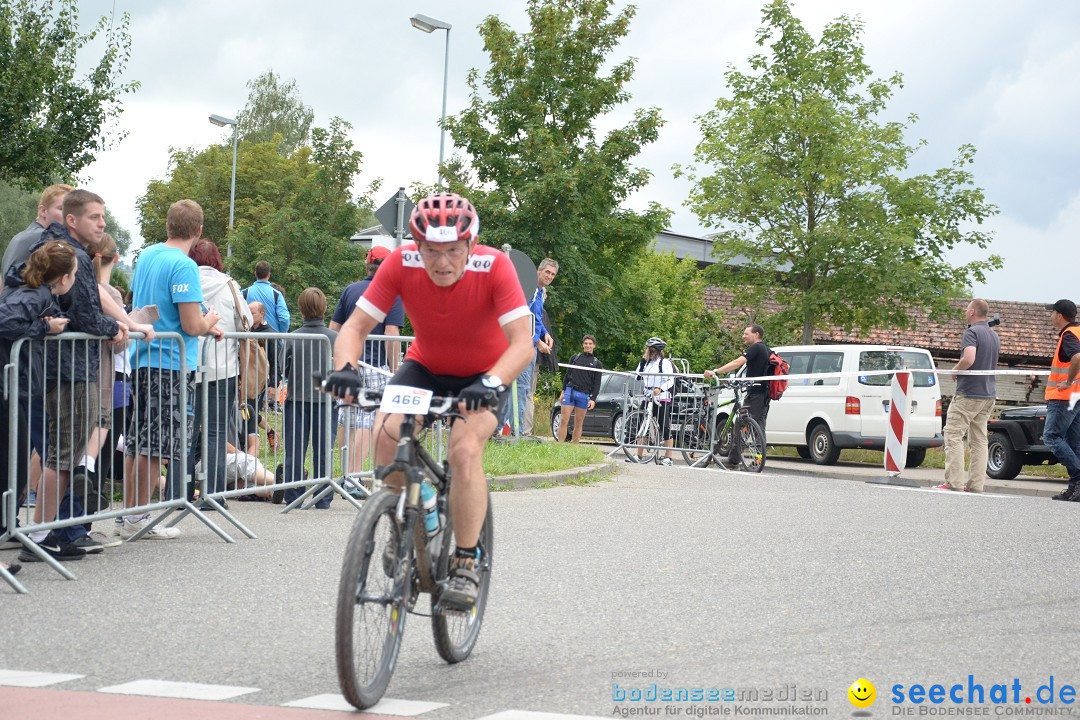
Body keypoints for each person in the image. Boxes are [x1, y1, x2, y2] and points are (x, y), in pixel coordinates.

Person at [327, 192, 532, 610]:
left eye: (453, 251)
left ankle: (466, 560)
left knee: (463, 451)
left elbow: (523, 345)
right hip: (426, 367)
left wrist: (492, 381)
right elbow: (354, 327)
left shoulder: (495, 266)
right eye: (431, 251)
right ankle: (410, 520)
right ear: (417, 246)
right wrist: (346, 368)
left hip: (484, 374)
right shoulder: (400, 263)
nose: (442, 262)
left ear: (470, 246)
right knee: (387, 433)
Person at [15, 190, 124, 560]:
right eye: (95, 217)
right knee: (62, 456)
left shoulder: (57, 248)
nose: (102, 223)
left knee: (62, 454)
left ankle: (44, 532)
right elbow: (86, 314)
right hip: (69, 370)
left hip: (62, 368)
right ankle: (40, 535)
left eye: (103, 216)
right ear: (73, 220)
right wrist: (114, 328)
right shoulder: (72, 255)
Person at [118, 200, 223, 540]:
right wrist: (210, 321)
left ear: (168, 226)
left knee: (138, 441)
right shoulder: (184, 265)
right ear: (199, 230)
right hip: (171, 362)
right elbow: (191, 324)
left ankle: (129, 514)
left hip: (143, 357)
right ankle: (139, 518)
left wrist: (202, 319)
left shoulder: (147, 255)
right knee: (157, 445)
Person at [0, 241, 76, 564]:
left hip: (17, 383)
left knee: (15, 456)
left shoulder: (33, 291)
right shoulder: (36, 295)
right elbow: (4, 322)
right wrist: (45, 326)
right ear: (62, 279)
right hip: (11, 384)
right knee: (12, 457)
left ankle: (7, 523)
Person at [330, 245, 404, 476]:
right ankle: (353, 477)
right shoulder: (391, 294)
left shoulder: (350, 290)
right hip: (374, 365)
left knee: (348, 416)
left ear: (367, 265)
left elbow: (334, 329)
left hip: (349, 362)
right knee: (367, 420)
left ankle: (344, 474)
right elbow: (391, 335)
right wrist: (396, 371)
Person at [188, 238, 252, 506]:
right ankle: (212, 495)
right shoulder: (230, 286)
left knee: (186, 431)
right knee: (215, 431)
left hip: (189, 366)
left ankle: (180, 491)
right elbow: (245, 322)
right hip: (222, 368)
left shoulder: (185, 282)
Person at [935, 299, 1001, 493]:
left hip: (969, 393)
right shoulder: (993, 335)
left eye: (966, 309)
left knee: (953, 434)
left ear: (972, 312)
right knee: (979, 439)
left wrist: (955, 370)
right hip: (988, 394)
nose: (965, 312)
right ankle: (975, 485)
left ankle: (953, 482)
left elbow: (969, 358)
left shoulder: (971, 332)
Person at [282, 287, 337, 509]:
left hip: (297, 399)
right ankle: (323, 496)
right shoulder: (335, 338)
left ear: (301, 310)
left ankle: (294, 494)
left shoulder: (292, 338)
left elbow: (284, 370)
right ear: (324, 308)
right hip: (326, 402)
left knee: (294, 449)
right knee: (324, 449)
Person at [704, 324, 772, 468]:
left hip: (755, 394)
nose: (743, 336)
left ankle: (733, 460)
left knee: (741, 423)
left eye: (746, 333)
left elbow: (737, 363)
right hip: (764, 393)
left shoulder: (756, 348)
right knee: (759, 427)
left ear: (757, 334)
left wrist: (716, 371)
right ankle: (759, 460)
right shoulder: (766, 349)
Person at [1043, 299, 1080, 501]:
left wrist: (1068, 381)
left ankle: (1078, 475)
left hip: (1064, 396)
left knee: (1051, 437)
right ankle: (1075, 490)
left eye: (1052, 312)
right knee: (1074, 444)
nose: (1050, 316)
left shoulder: (1068, 335)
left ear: (1059, 316)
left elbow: (1077, 358)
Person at [519, 258, 558, 435]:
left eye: (553, 274)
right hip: (522, 344)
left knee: (527, 389)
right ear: (539, 271)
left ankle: (524, 431)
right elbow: (524, 317)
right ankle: (517, 430)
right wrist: (537, 341)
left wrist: (545, 334)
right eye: (547, 272)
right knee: (521, 388)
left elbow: (537, 319)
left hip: (532, 346)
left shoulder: (541, 292)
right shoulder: (530, 289)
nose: (549, 276)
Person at [1, 183, 73, 278]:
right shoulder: (44, 239)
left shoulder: (19, 237)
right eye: (62, 209)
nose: (69, 216)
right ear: (43, 211)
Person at [634, 337, 676, 466]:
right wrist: (642, 362)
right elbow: (637, 376)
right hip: (647, 396)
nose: (648, 351)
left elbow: (671, 380)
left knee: (665, 426)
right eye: (648, 349)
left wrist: (660, 388)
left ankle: (668, 457)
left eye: (650, 349)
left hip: (661, 397)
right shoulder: (646, 363)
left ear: (657, 351)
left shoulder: (664, 363)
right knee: (642, 424)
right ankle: (638, 454)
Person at [557, 335, 603, 444]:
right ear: (583, 345)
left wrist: (593, 399)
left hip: (584, 394)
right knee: (564, 419)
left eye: (590, 344)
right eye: (586, 343)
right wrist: (563, 391)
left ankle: (575, 447)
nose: (588, 345)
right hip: (570, 391)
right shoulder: (575, 358)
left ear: (594, 346)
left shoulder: (597, 363)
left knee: (578, 422)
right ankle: (559, 446)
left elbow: (597, 383)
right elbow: (567, 375)